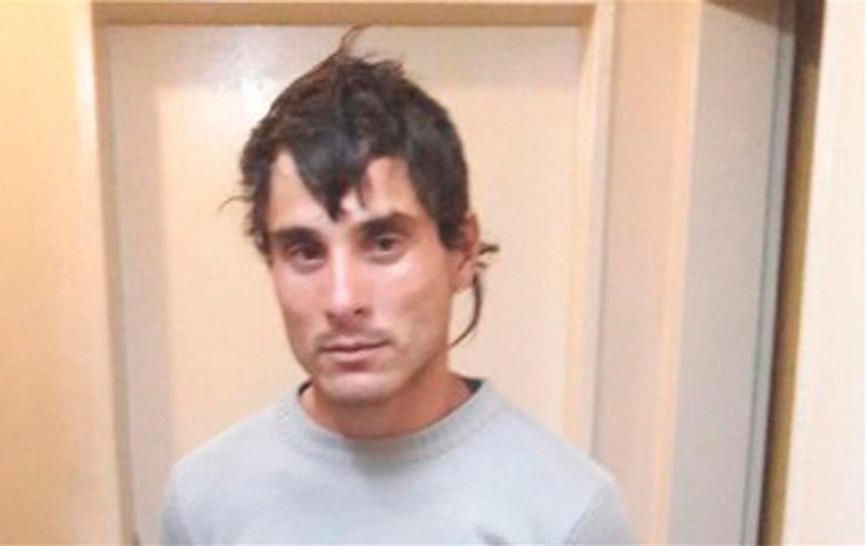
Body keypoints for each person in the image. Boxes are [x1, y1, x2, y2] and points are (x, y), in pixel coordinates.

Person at [160, 29, 633, 545]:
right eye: (305, 251)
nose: (343, 300)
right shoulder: (204, 499)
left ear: (462, 251)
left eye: (384, 243)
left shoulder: (569, 510)